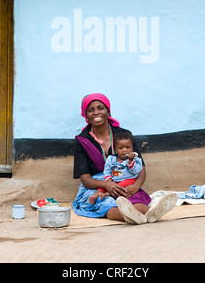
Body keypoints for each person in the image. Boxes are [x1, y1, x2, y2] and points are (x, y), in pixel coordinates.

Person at [72, 93, 177, 224]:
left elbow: (141, 167)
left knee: (133, 201)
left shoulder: (124, 136)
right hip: (97, 187)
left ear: (108, 111)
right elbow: (86, 180)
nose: (96, 113)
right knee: (109, 206)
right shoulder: (82, 141)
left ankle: (150, 212)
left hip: (126, 182)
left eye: (100, 108)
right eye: (90, 110)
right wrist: (107, 184)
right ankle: (143, 215)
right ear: (86, 115)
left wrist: (135, 186)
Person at [88, 131, 143, 205]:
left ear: (132, 148)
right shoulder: (111, 159)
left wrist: (130, 161)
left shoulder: (135, 160)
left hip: (128, 180)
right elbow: (107, 171)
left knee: (123, 186)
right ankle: (94, 197)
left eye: (128, 147)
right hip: (114, 181)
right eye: (121, 148)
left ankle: (106, 195)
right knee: (102, 188)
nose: (124, 150)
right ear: (115, 150)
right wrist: (109, 181)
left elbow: (136, 171)